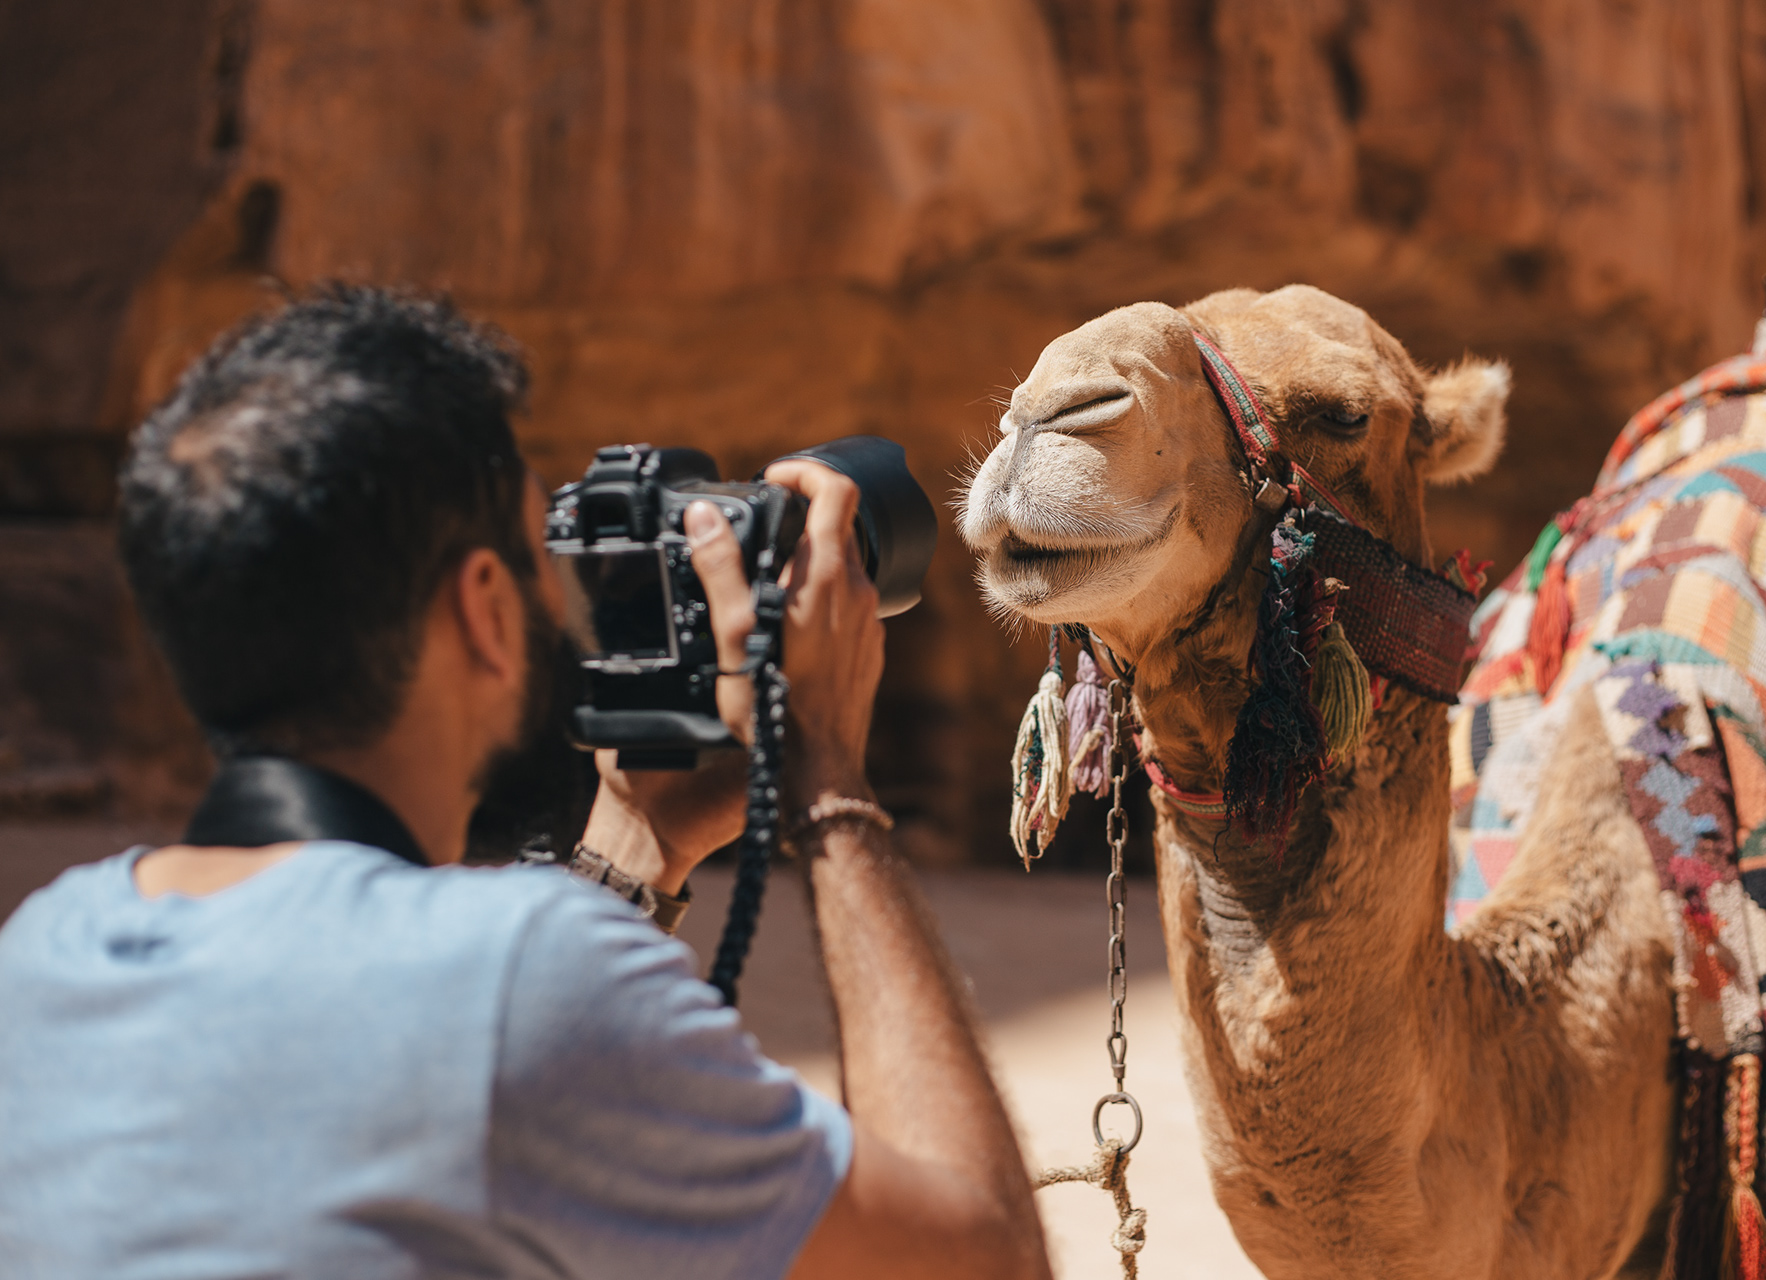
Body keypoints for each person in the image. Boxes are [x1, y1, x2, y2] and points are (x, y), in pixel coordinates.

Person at [0, 287, 1051, 1279]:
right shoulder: (518, 980)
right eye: (540, 555)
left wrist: (641, 844)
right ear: (483, 611)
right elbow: (984, 1257)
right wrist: (826, 781)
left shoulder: (46, 953)